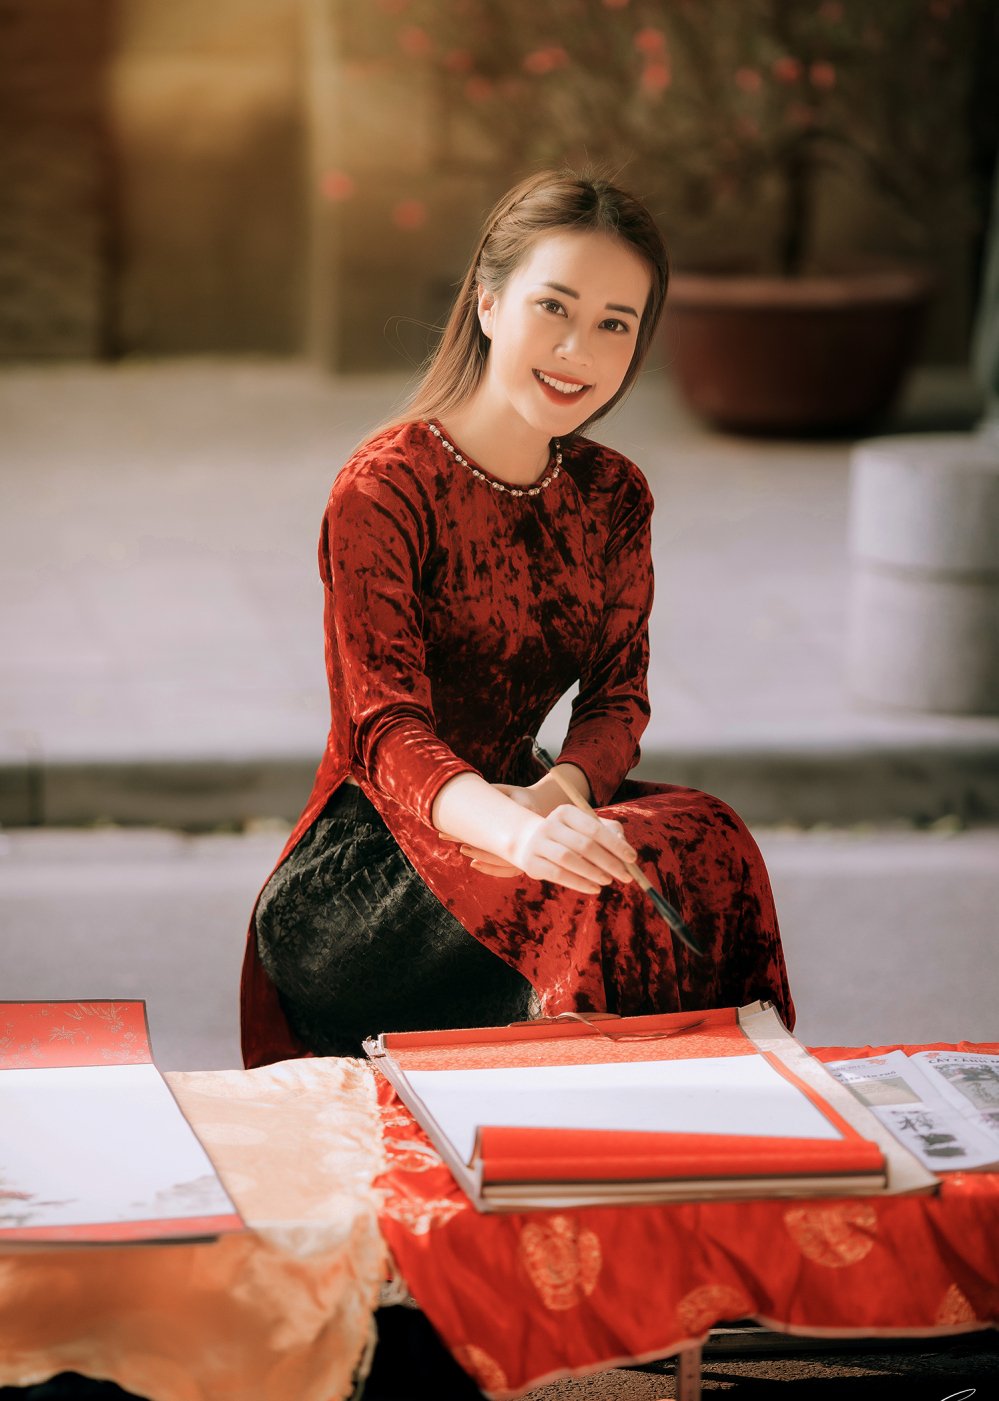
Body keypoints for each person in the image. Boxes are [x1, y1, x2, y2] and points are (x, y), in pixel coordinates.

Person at [241, 169, 794, 1068]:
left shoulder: (611, 494)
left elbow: (617, 699)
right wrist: (522, 838)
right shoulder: (385, 488)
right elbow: (383, 728)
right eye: (554, 307)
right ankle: (579, 1124)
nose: (578, 350)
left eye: (614, 324)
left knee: (703, 838)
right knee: (581, 888)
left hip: (523, 808)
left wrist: (556, 797)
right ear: (489, 302)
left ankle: (702, 1112)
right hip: (372, 868)